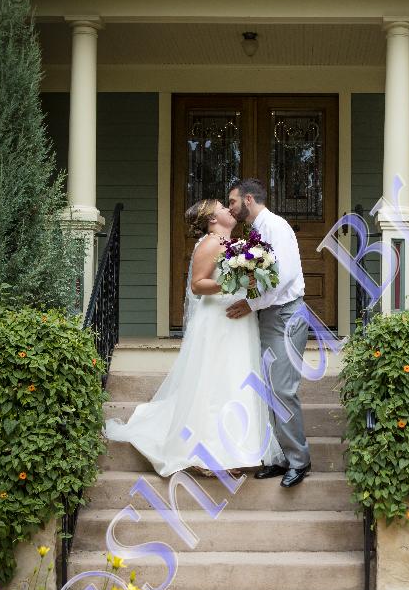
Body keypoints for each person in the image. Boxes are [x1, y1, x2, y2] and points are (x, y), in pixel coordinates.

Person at [103, 198, 284, 478]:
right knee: (214, 382)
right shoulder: (210, 243)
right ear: (212, 219)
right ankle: (205, 453)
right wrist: (231, 283)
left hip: (239, 320)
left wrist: (252, 280)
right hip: (218, 320)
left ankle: (236, 448)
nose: (228, 209)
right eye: (222, 207)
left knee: (235, 378)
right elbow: (197, 285)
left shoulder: (233, 244)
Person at [226, 178, 311, 489]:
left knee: (283, 390)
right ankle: (280, 457)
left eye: (233, 202)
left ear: (248, 199)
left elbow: (283, 277)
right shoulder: (256, 231)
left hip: (286, 316)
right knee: (269, 389)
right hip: (270, 316)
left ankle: (299, 460)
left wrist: (251, 304)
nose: (230, 208)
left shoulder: (275, 226)